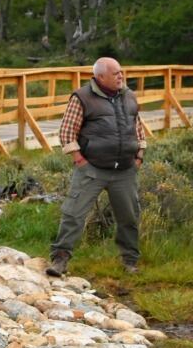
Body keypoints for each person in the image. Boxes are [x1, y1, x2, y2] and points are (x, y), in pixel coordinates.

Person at [47, 56, 148, 277]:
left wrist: (139, 155)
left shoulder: (129, 96)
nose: (121, 76)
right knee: (73, 214)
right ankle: (60, 260)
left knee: (129, 217)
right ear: (100, 77)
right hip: (92, 169)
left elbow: (138, 128)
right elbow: (66, 132)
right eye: (115, 73)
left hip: (125, 170)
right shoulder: (82, 97)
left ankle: (130, 262)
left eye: (121, 72)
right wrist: (79, 160)